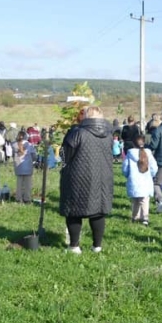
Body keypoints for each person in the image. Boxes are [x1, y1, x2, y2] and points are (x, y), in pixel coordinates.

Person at [59, 106, 113, 253]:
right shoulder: (108, 134)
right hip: (103, 176)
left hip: (78, 176)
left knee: (74, 211)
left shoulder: (78, 133)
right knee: (98, 211)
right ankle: (97, 246)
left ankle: (74, 246)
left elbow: (64, 155)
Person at [122, 134, 157, 226]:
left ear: (133, 144)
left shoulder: (129, 154)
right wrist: (151, 175)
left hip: (134, 180)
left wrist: (127, 175)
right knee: (144, 200)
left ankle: (135, 216)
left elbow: (125, 168)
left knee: (135, 200)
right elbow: (154, 167)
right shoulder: (148, 153)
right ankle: (145, 218)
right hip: (146, 181)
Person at [12, 131, 37, 204]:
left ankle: (18, 198)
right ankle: (27, 198)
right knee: (27, 184)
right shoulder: (29, 145)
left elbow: (13, 154)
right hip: (28, 166)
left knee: (19, 184)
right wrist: (34, 160)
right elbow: (34, 156)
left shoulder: (14, 145)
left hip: (18, 166)